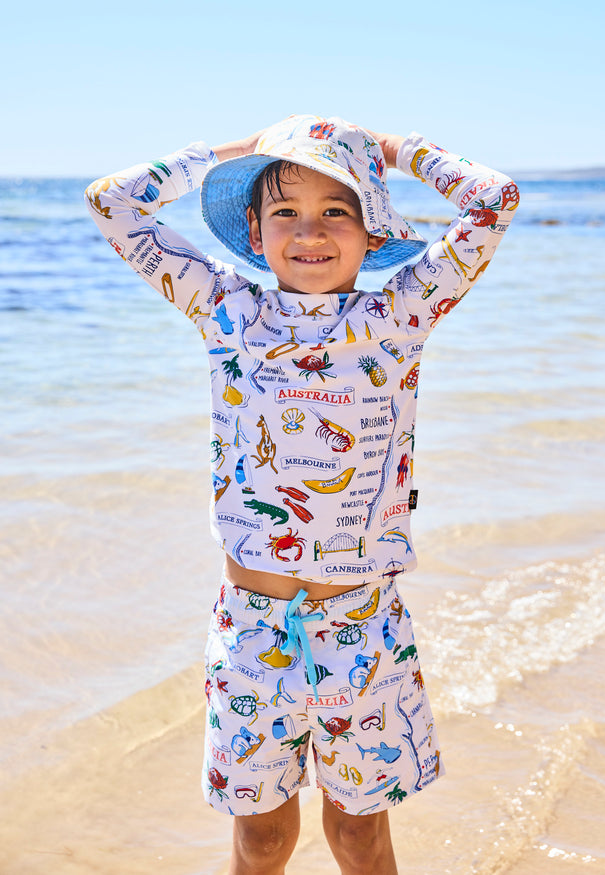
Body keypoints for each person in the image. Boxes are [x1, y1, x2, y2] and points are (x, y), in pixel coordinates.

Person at [85, 114, 519, 875]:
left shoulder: (399, 317)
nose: (309, 231)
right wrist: (241, 151)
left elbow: (493, 200)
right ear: (254, 231)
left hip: (362, 627)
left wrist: (392, 150)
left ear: (372, 231)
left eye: (335, 211)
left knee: (358, 836)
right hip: (252, 634)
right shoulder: (226, 312)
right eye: (285, 210)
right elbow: (111, 202)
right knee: (260, 841)